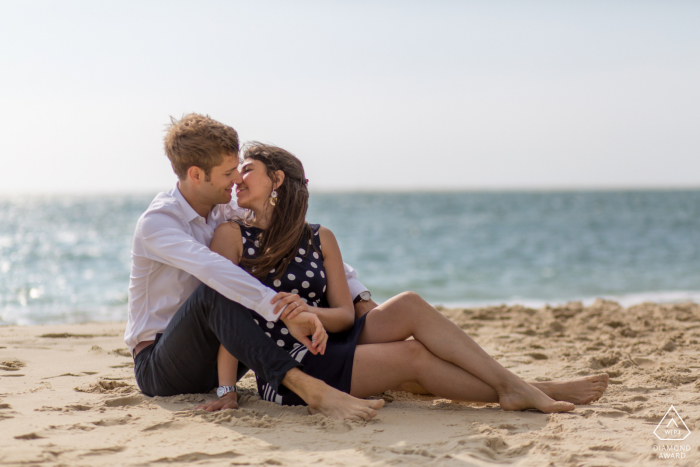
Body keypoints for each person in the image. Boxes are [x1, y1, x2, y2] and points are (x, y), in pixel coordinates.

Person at [198, 142, 609, 413]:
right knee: (413, 359)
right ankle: (531, 389)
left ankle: (518, 387)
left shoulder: (319, 236)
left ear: (277, 179)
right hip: (290, 365)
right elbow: (226, 315)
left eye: (247, 170)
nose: (237, 181)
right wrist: (226, 389)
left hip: (332, 340)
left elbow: (344, 313)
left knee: (409, 302)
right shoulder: (232, 236)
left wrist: (312, 312)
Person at [125, 113, 384, 420]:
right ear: (196, 174)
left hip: (227, 350)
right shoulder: (159, 223)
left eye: (238, 169)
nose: (237, 180)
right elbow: (213, 270)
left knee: (264, 279)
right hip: (162, 366)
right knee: (220, 289)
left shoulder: (227, 208)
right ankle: (306, 387)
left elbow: (296, 243)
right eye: (228, 172)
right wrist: (282, 312)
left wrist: (359, 296)